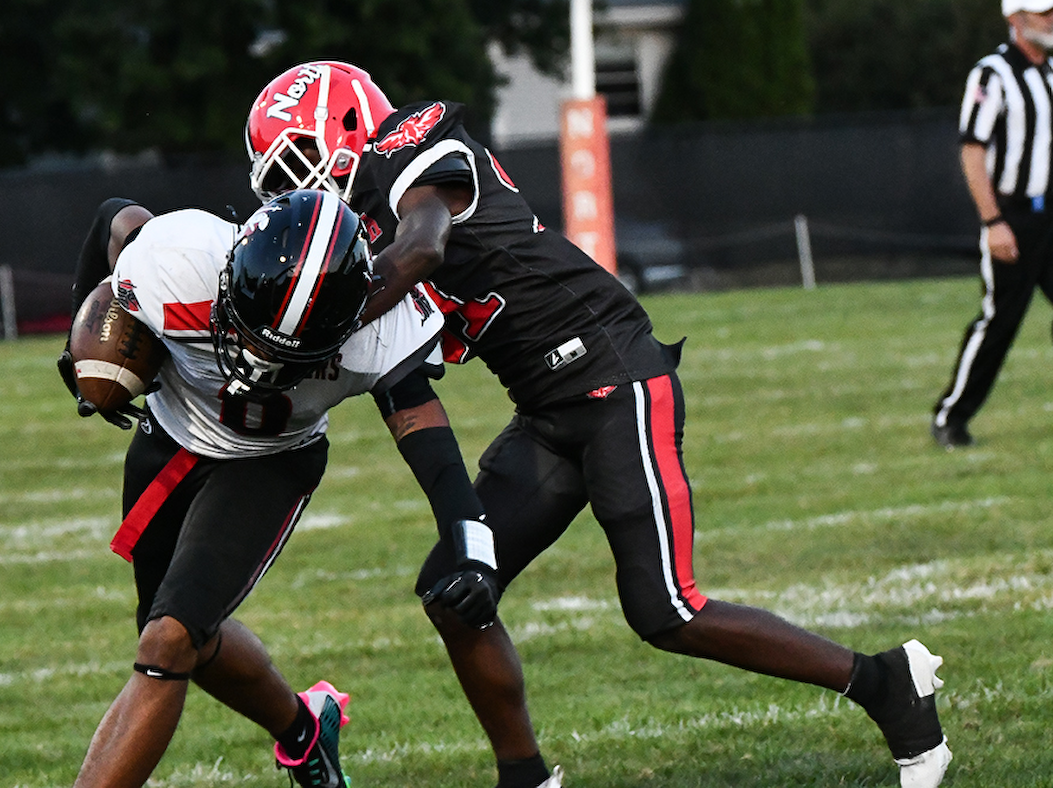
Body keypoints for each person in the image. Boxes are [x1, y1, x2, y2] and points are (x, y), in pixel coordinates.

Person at [244, 61, 953, 788]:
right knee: (453, 591)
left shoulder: (406, 155)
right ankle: (526, 777)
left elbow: (423, 245)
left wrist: (323, 323)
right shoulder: (366, 230)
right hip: (548, 410)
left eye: (297, 161)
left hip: (616, 378)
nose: (294, 187)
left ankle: (886, 683)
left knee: (665, 608)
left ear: (347, 125)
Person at [57, 188, 529, 788]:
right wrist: (78, 343)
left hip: (269, 462)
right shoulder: (176, 259)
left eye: (282, 351)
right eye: (249, 331)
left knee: (168, 642)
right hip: (169, 438)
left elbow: (429, 443)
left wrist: (473, 551)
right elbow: (115, 218)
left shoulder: (377, 328)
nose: (255, 358)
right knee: (172, 636)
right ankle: (305, 732)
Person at [932, 0, 1053, 448]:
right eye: (1043, 12)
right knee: (1000, 322)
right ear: (1015, 20)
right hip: (1015, 217)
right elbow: (972, 150)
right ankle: (951, 416)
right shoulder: (993, 74)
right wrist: (994, 221)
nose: (1052, 19)